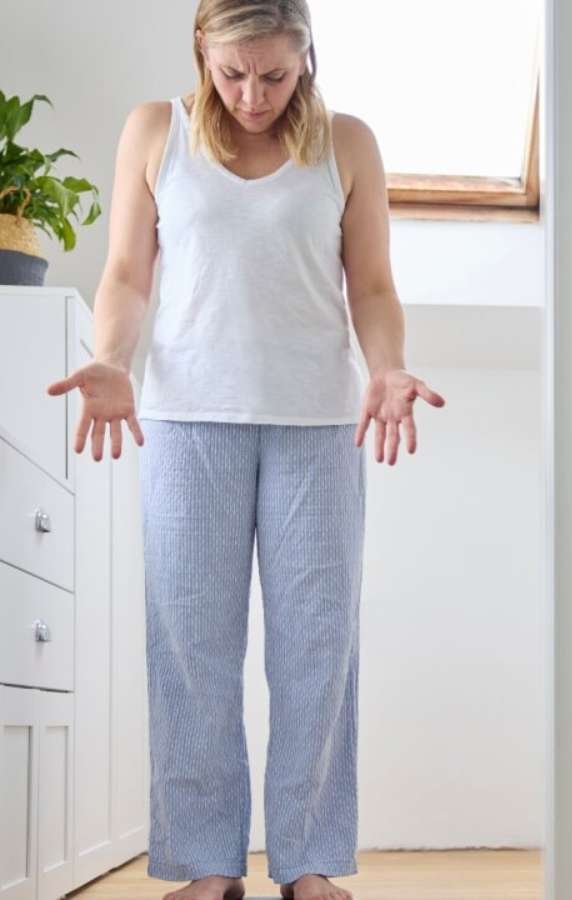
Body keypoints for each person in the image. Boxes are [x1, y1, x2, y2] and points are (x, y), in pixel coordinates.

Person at [45, 2, 444, 898]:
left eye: (275, 73)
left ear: (306, 56)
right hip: (187, 420)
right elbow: (126, 273)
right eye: (233, 74)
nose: (253, 95)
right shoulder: (156, 131)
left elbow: (372, 285)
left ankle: (309, 862)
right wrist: (111, 359)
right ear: (202, 50)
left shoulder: (347, 143)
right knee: (190, 648)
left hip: (318, 424)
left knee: (317, 649)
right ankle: (207, 864)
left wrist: (388, 367)